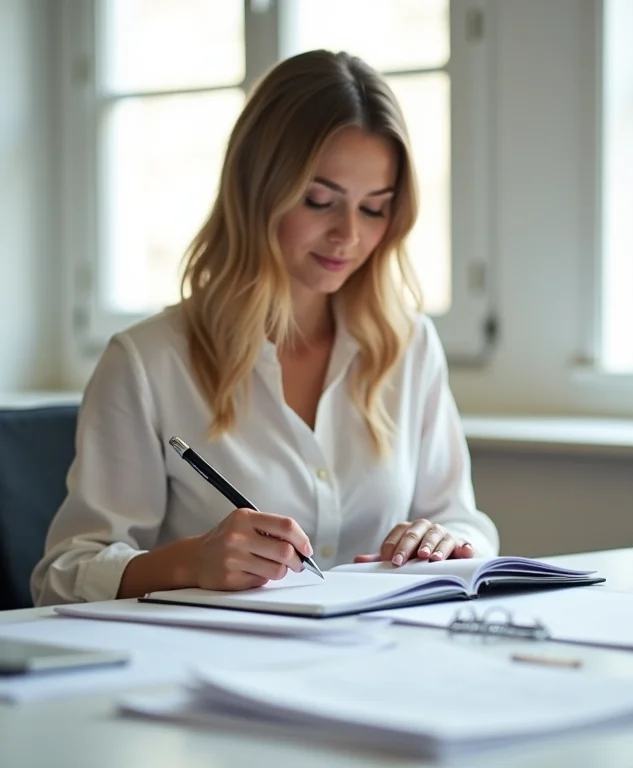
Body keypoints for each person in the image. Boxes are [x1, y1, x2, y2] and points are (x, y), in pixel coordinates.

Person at [31, 50, 499, 606]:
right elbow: (62, 574)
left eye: (374, 209)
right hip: (204, 667)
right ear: (257, 189)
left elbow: (464, 523)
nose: (348, 235)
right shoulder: (147, 362)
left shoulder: (409, 345)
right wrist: (190, 561)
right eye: (319, 200)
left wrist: (449, 539)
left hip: (378, 660)